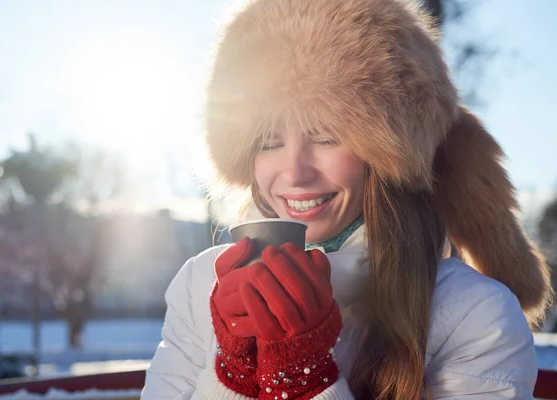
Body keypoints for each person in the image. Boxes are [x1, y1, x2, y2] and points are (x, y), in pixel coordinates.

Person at [141, 0, 553, 398]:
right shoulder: (200, 286)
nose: (295, 173)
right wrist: (234, 375)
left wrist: (305, 380)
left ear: (385, 155)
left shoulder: (476, 314)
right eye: (268, 142)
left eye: (326, 137)